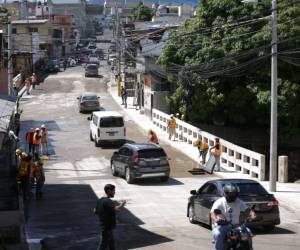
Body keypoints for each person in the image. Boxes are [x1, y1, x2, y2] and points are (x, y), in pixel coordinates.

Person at [210, 183, 255, 250]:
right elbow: (213, 213)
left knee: (248, 233)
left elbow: (247, 210)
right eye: (231, 194)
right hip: (223, 226)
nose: (233, 195)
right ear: (226, 193)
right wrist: (216, 220)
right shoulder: (219, 202)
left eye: (234, 193)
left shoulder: (239, 202)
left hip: (237, 226)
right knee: (218, 234)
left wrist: (252, 215)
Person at [94, 184, 126, 250]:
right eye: (113, 191)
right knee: (102, 246)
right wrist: (123, 204)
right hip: (106, 228)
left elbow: (94, 211)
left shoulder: (100, 200)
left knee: (111, 245)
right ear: (109, 191)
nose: (114, 192)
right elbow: (117, 209)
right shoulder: (108, 201)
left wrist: (103, 213)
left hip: (106, 228)